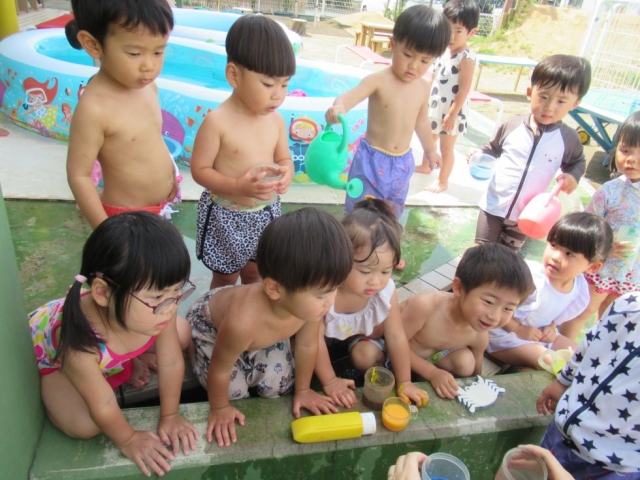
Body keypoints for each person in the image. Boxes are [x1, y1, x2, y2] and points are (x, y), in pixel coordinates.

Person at [28, 212, 199, 477]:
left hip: (119, 335)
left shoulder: (160, 307)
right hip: (57, 360)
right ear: (102, 293)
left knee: (182, 333)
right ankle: (121, 364)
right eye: (158, 296)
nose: (172, 306)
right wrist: (129, 439)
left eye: (177, 292)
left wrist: (170, 415)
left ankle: (127, 360)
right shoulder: (77, 342)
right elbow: (104, 405)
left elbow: (172, 360)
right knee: (84, 425)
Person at [187, 208, 353, 448]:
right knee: (234, 391)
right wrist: (219, 408)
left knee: (280, 385)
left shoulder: (312, 307)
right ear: (274, 289)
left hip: (264, 330)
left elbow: (307, 344)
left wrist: (304, 390)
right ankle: (192, 351)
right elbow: (220, 369)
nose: (331, 301)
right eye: (322, 294)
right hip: (211, 326)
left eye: (335, 288)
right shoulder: (241, 323)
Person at [190, 15, 295, 290]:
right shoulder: (218, 122)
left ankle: (248, 319)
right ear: (234, 75)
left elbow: (284, 158)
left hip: (265, 213)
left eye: (284, 85)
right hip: (226, 215)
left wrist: (287, 173)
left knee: (256, 275)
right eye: (269, 84)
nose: (278, 95)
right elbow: (200, 170)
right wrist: (237, 186)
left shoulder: (276, 121)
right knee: (225, 277)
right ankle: (216, 319)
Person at [65, 0, 182, 228]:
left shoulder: (149, 87)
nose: (149, 65)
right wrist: (104, 231)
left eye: (158, 51)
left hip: (162, 204)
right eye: (134, 53)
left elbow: (150, 141)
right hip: (125, 218)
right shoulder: (94, 109)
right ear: (93, 45)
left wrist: (169, 175)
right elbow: (79, 176)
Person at [325, 5, 451, 217]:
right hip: (371, 161)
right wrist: (339, 107)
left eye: (424, 61)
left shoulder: (423, 87)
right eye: (408, 54)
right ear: (393, 45)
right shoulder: (378, 81)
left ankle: (384, 247)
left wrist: (430, 150)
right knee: (361, 213)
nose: (414, 65)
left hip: (402, 164)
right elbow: (348, 98)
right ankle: (353, 246)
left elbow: (421, 121)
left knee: (391, 213)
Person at [314, 199, 429, 409]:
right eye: (365, 271)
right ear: (341, 258)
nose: (375, 281)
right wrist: (330, 381)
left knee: (365, 356)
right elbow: (313, 342)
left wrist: (405, 382)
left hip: (357, 339)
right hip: (320, 341)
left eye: (386, 271)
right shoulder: (326, 291)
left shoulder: (385, 290)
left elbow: (395, 335)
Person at [470, 54, 591, 251]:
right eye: (544, 96)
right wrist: (478, 154)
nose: (549, 107)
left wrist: (572, 175)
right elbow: (492, 148)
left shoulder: (567, 139)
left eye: (561, 101)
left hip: (526, 216)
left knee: (507, 258)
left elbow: (577, 162)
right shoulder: (512, 125)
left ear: (575, 104)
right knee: (480, 251)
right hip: (493, 206)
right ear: (529, 92)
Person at [401, 243, 534, 399]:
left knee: (465, 363)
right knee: (368, 355)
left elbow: (476, 375)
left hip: (428, 360)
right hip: (395, 354)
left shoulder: (479, 336)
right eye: (489, 302)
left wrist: (481, 390)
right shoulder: (426, 306)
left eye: (508, 308)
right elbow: (394, 342)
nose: (495, 317)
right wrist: (432, 373)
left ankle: (422, 379)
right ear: (459, 288)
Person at [487, 212, 613, 370]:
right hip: (503, 334)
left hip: (537, 336)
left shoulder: (579, 289)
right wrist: (517, 328)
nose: (556, 256)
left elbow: (553, 319)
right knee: (553, 363)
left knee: (581, 357)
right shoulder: (529, 275)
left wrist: (552, 329)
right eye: (554, 246)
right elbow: (493, 308)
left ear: (592, 267)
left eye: (569, 254)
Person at [536, 292, 640, 478]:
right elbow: (591, 340)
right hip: (562, 431)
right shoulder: (630, 303)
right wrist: (563, 381)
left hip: (616, 464)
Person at [560, 111, 640, 341]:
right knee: (581, 311)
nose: (631, 159)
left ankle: (593, 355)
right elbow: (586, 229)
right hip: (601, 269)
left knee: (612, 320)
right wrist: (606, 247)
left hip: (632, 275)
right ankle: (563, 352)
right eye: (625, 150)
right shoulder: (610, 191)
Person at [422, 0, 479, 194]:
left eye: (458, 31)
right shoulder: (442, 52)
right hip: (435, 106)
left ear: (472, 33)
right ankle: (425, 166)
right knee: (429, 139)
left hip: (452, 111)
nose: (451, 36)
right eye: (448, 29)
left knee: (447, 148)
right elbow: (432, 78)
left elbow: (463, 90)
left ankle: (442, 180)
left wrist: (453, 114)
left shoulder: (467, 58)